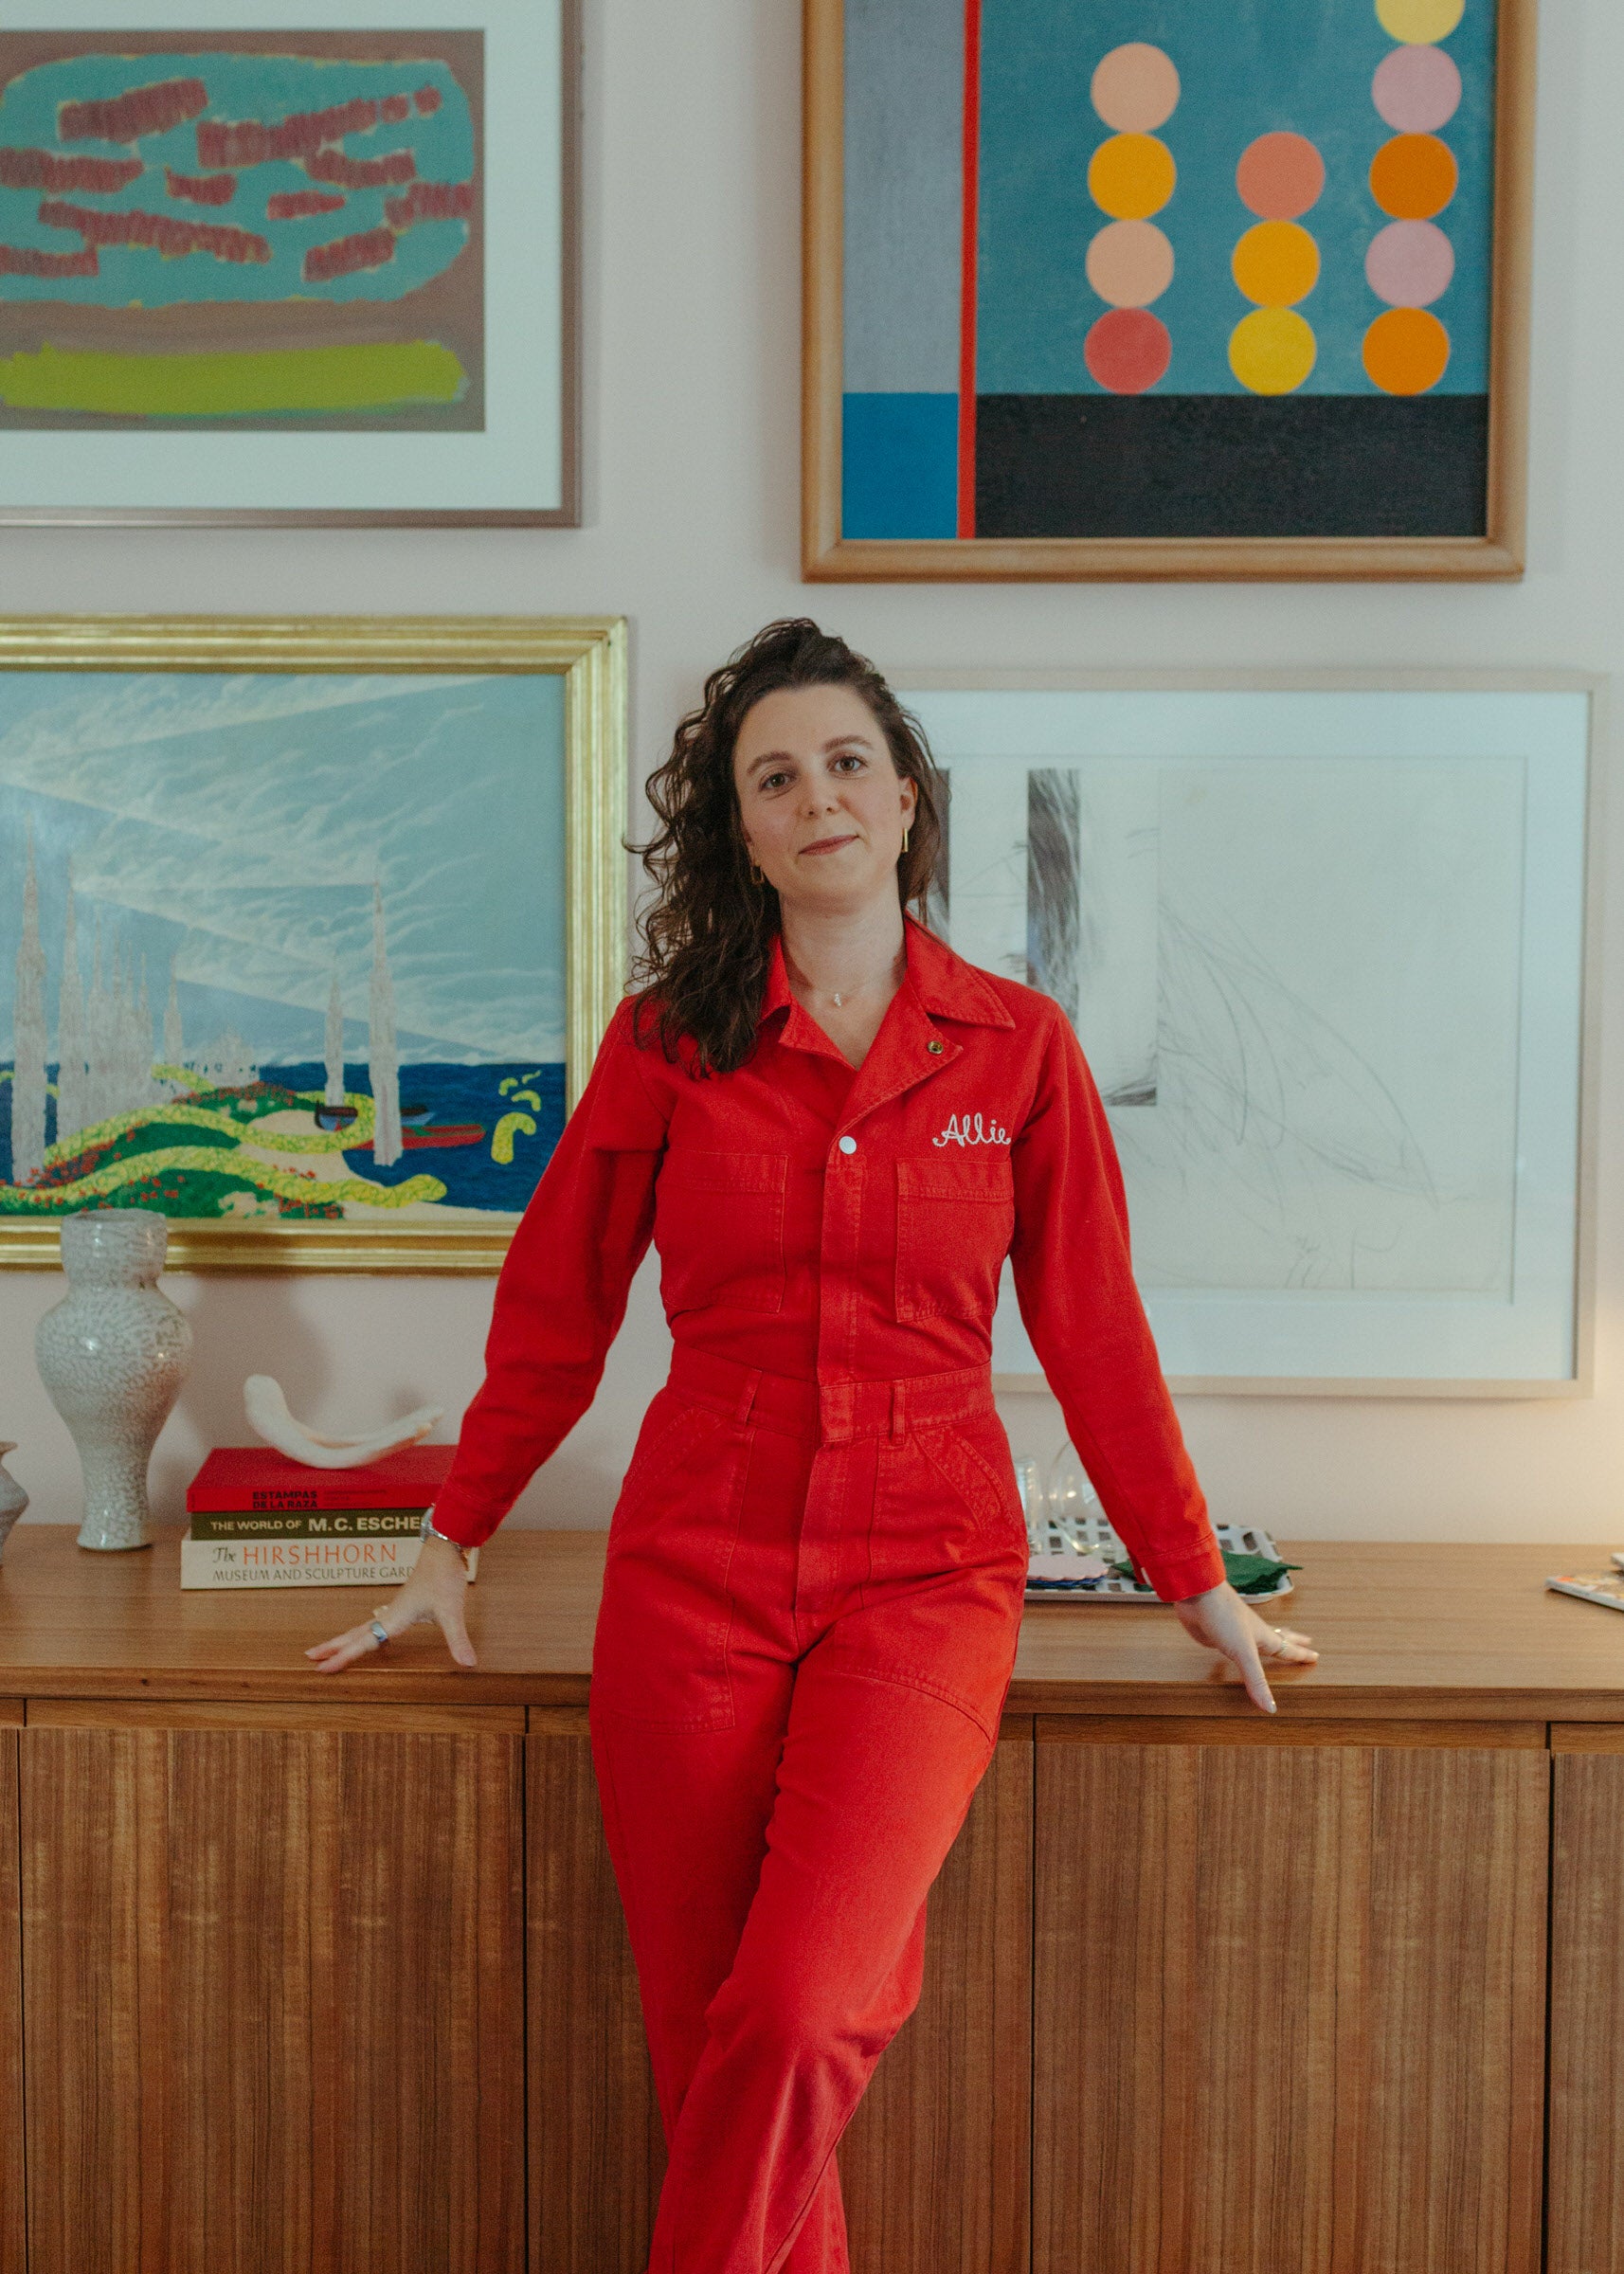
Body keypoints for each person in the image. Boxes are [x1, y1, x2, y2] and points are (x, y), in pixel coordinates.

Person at [310, 620, 1318, 2273]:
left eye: (848, 762)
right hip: (691, 1571)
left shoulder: (1017, 1052)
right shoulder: (666, 1045)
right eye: (774, 777)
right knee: (710, 2039)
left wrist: (1190, 1573)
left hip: (924, 1572)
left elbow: (1091, 1335)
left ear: (907, 801)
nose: (818, 795)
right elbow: (555, 1309)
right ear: (744, 831)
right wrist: (452, 1531)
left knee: (793, 2013)